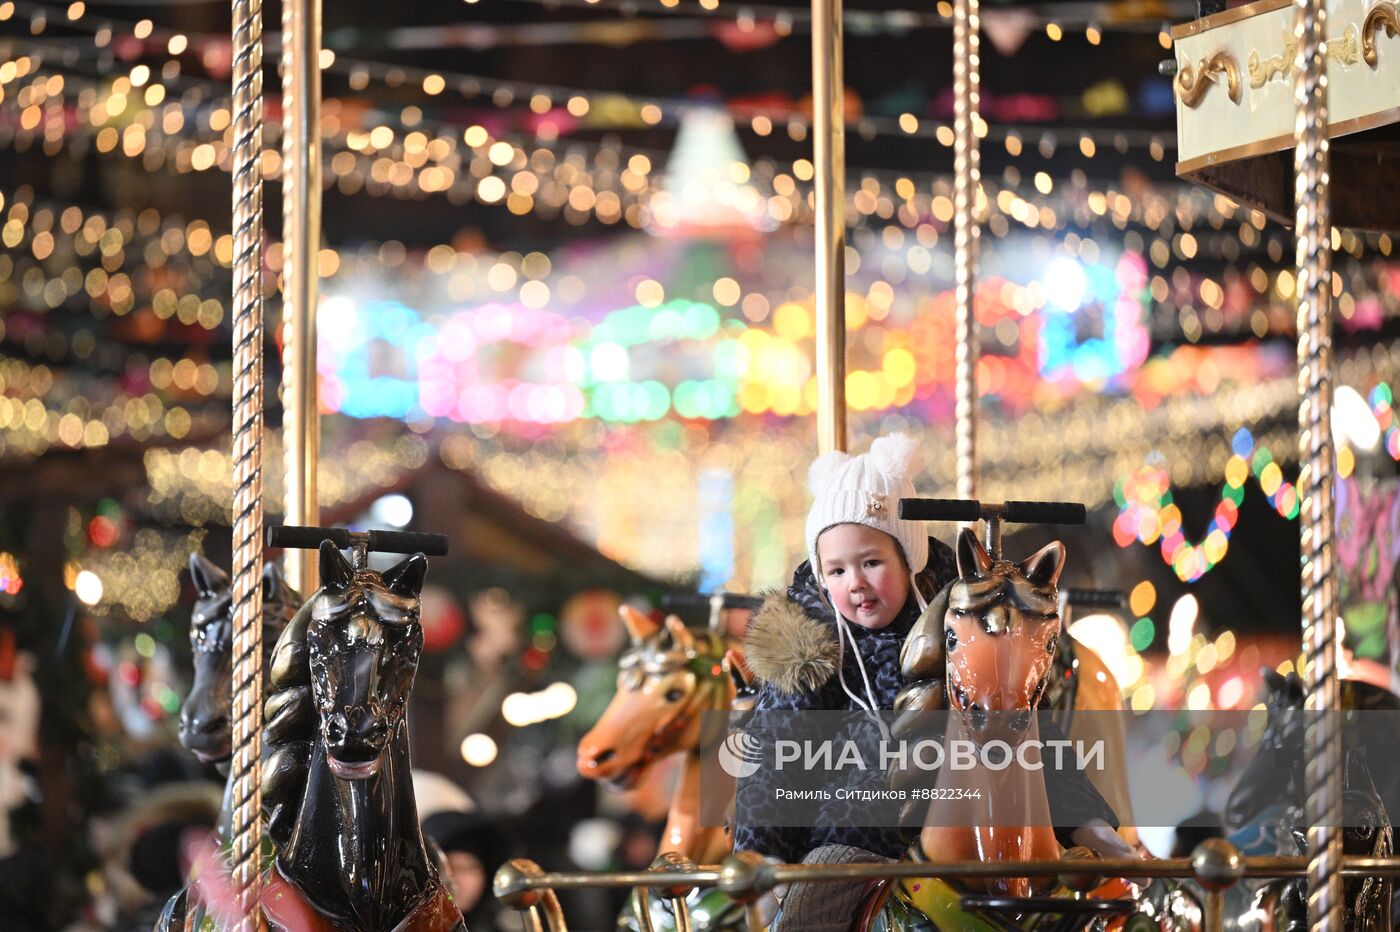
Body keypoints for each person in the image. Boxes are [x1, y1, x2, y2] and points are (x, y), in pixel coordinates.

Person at [732, 433, 1128, 930]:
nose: (854, 582)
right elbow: (772, 754)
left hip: (968, 817)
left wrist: (1087, 822)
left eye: (871, 562)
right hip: (857, 830)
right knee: (819, 895)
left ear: (909, 557)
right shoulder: (811, 647)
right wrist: (761, 853)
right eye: (835, 570)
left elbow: (1029, 729)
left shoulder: (959, 631)